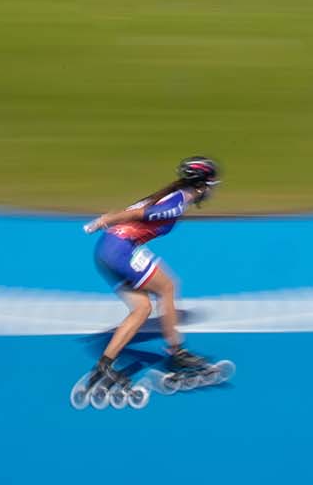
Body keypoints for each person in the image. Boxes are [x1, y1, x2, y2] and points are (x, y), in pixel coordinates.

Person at [80, 155, 221, 392]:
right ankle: (177, 353)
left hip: (108, 249)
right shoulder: (174, 204)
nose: (211, 192)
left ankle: (104, 365)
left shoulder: (172, 196)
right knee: (168, 287)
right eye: (210, 186)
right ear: (200, 185)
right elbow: (138, 214)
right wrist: (105, 220)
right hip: (119, 249)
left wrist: (109, 223)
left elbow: (138, 211)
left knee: (143, 309)